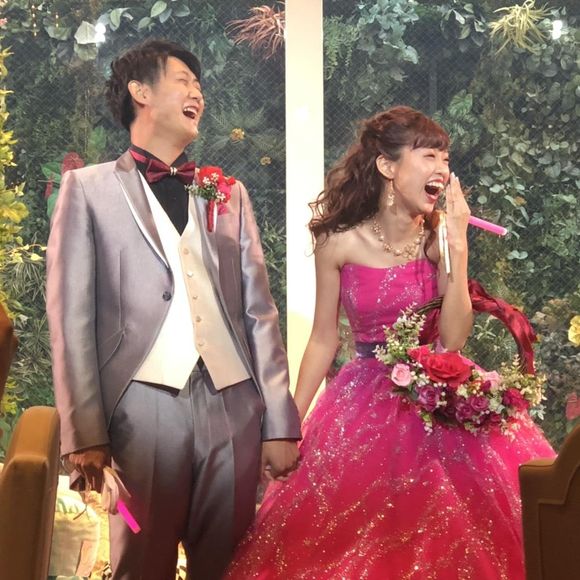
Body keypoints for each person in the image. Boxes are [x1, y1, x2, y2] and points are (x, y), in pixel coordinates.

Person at [226, 106, 555, 579]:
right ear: (387, 166)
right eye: (429, 155)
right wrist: (287, 424)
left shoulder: (438, 239)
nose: (442, 168)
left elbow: (453, 338)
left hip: (438, 397)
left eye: (445, 158)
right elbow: (323, 338)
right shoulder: (338, 242)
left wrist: (458, 247)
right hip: (360, 404)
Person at [46, 39, 300, 580]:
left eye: (200, 85)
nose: (197, 93)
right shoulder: (87, 189)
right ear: (140, 92)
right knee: (141, 563)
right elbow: (71, 319)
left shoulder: (228, 194)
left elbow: (260, 312)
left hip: (233, 402)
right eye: (184, 80)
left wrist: (279, 421)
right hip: (141, 406)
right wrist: (84, 432)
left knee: (233, 565)